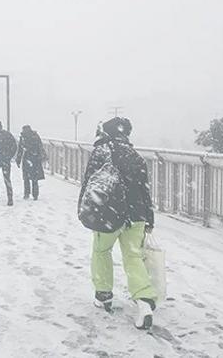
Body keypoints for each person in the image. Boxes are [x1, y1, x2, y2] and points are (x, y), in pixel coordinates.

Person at [78, 117, 157, 330]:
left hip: (109, 214)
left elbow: (89, 183)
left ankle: (103, 294)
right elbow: (144, 190)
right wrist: (149, 218)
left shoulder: (101, 152)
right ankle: (144, 302)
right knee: (133, 257)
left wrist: (84, 210)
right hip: (137, 214)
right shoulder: (135, 156)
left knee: (102, 250)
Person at [15, 125, 46, 200]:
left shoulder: (23, 137)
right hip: (35, 159)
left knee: (26, 178)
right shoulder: (35, 136)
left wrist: (18, 160)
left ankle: (27, 193)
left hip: (27, 158)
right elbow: (40, 147)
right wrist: (42, 157)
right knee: (34, 178)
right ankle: (35, 195)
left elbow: (20, 149)